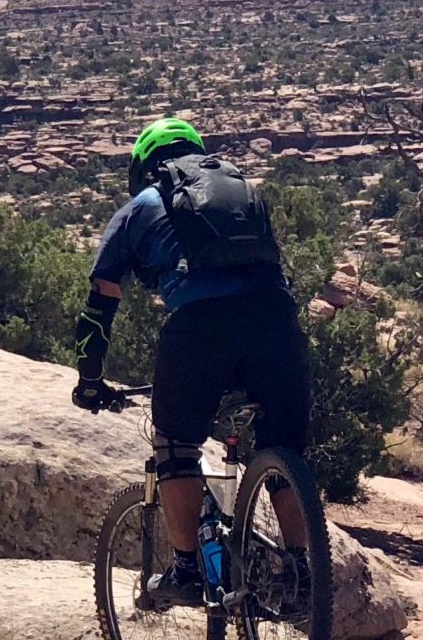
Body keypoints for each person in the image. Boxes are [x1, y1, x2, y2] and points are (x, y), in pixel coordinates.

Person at [73, 115, 312, 610]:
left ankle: (186, 570)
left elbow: (101, 302)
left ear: (143, 167)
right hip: (277, 321)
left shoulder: (139, 206)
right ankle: (302, 572)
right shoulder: (242, 194)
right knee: (284, 445)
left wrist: (90, 378)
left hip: (201, 326)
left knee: (176, 446)